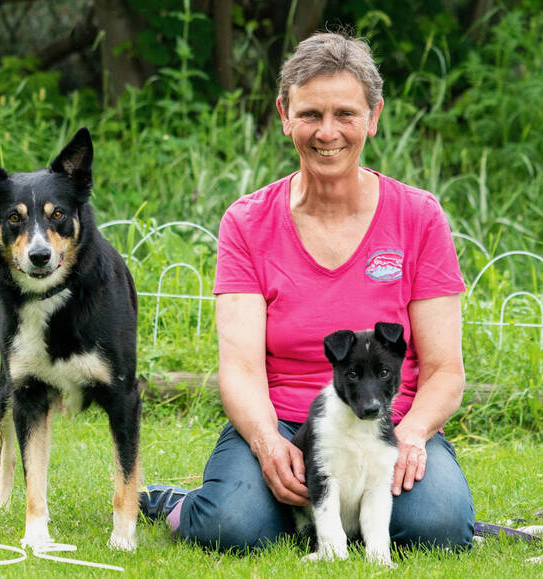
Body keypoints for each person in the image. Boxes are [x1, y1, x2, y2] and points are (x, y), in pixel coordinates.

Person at [139, 32, 475, 552]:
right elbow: (241, 369)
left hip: (385, 421)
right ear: (284, 115)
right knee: (232, 525)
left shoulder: (419, 217)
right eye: (310, 114)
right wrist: (267, 444)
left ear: (374, 116)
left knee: (440, 528)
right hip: (285, 422)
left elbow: (445, 371)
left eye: (345, 114)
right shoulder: (247, 223)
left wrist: (410, 435)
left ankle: (335, 518)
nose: (327, 132)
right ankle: (181, 503)